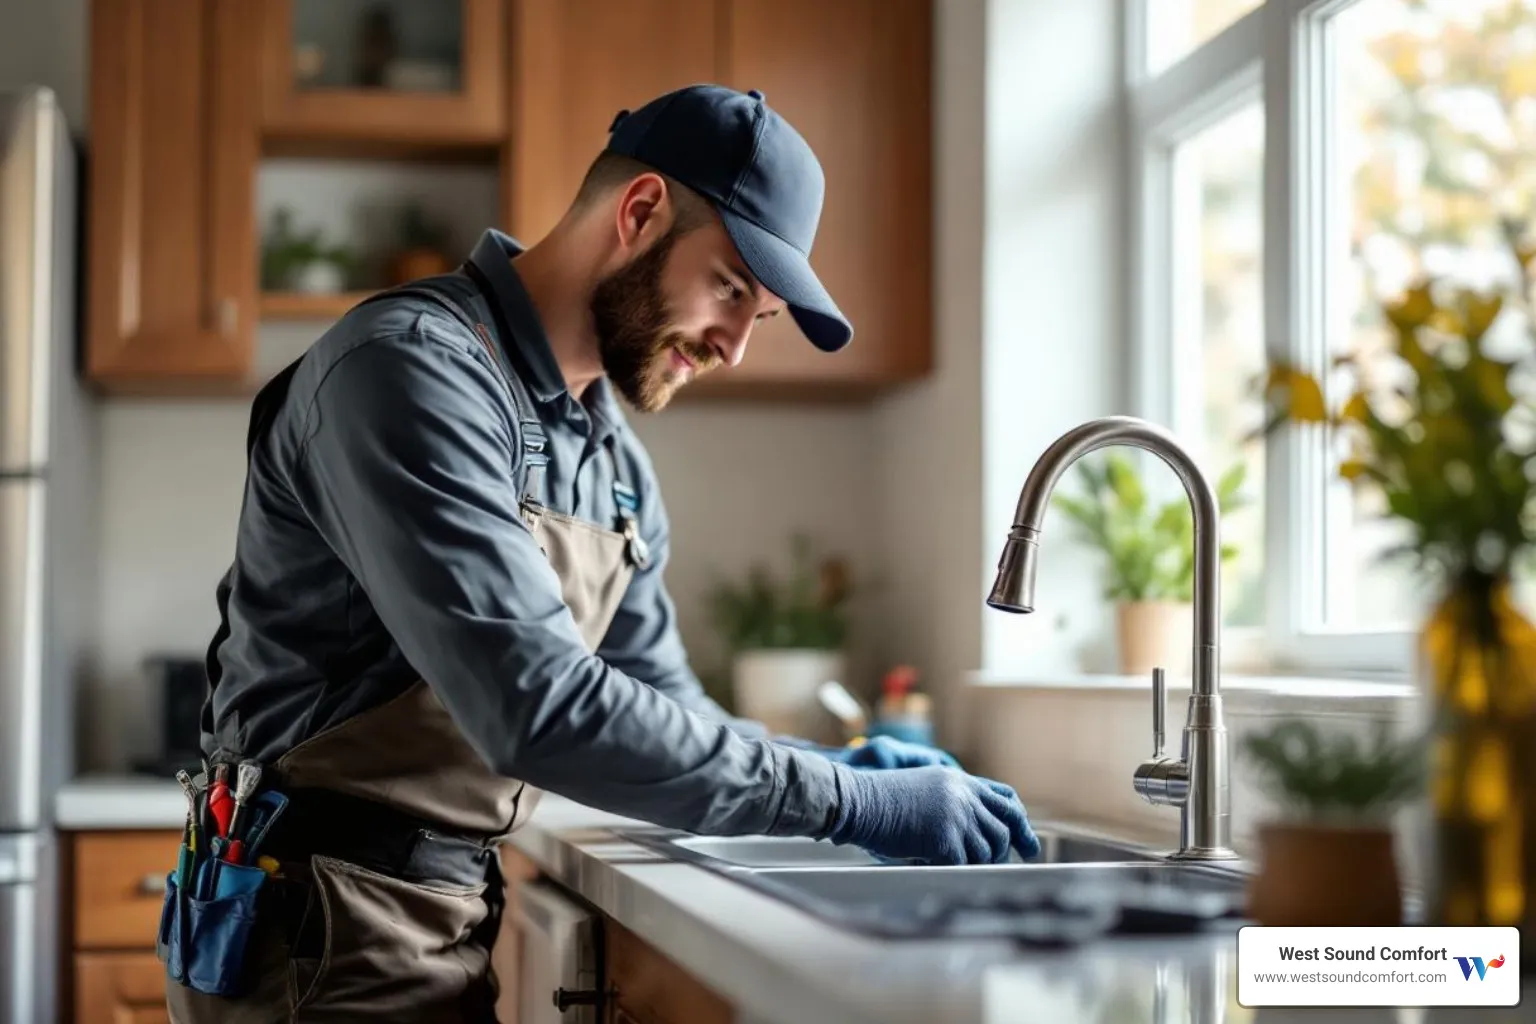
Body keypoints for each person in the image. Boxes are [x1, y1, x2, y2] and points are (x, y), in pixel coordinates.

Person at [164, 84, 1040, 1023]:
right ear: (639, 211)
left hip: (439, 921)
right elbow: (537, 708)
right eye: (732, 290)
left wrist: (838, 766)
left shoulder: (609, 457)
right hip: (310, 935)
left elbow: (664, 704)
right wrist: (847, 805)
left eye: (762, 315)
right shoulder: (411, 371)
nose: (736, 347)